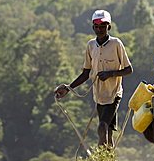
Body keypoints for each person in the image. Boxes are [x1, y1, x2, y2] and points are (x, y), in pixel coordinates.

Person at [54, 10, 133, 147]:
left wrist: (110, 74)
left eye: (103, 26)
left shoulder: (116, 44)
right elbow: (86, 73)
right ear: (93, 27)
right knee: (107, 131)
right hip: (98, 96)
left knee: (102, 127)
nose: (99, 29)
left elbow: (128, 70)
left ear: (109, 26)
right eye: (96, 26)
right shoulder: (91, 46)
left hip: (114, 94)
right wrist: (69, 88)